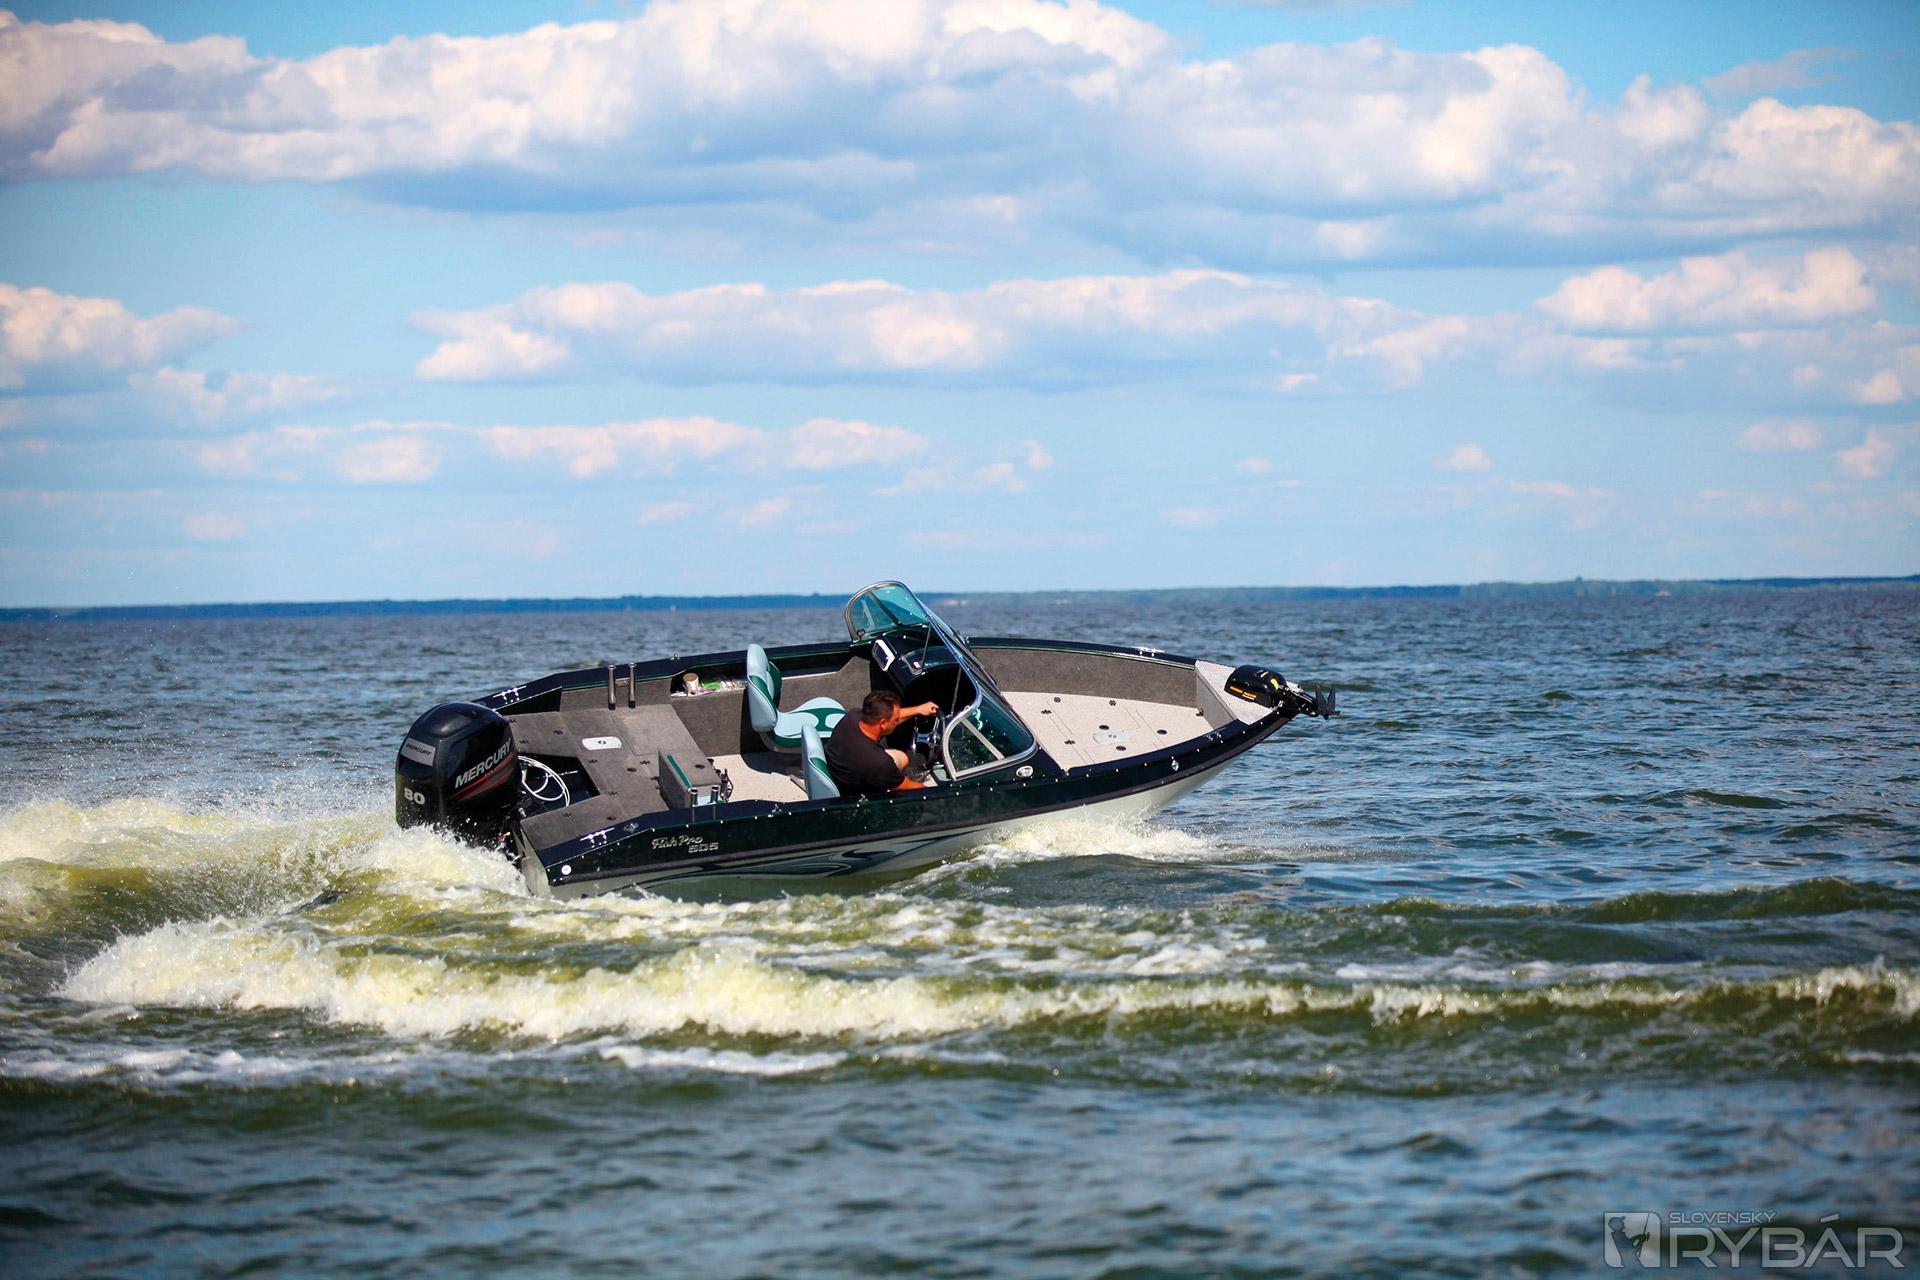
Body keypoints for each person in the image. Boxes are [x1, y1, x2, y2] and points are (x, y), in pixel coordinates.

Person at [824, 690, 938, 797]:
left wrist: (919, 709)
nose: (897, 721)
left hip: (843, 769)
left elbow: (888, 717)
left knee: (903, 758)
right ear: (882, 723)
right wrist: (937, 794)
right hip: (855, 793)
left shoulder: (853, 716)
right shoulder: (879, 763)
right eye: (896, 720)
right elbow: (910, 787)